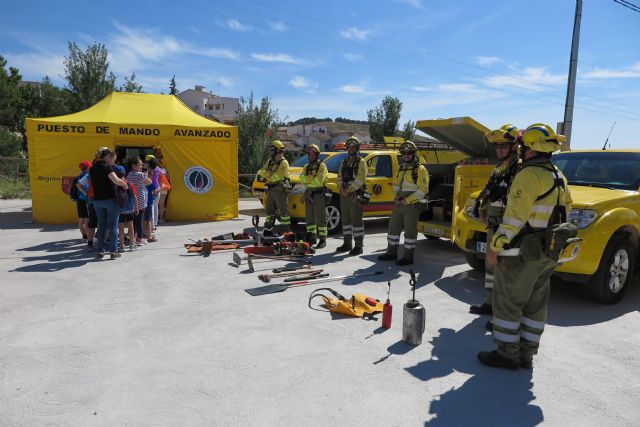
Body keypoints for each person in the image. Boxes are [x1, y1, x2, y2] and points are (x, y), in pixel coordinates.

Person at [478, 123, 572, 370]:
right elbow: (566, 212)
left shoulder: (528, 175)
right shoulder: (558, 176)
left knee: (508, 302)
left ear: (530, 149)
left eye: (523, 147)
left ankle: (507, 354)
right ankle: (527, 354)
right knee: (535, 305)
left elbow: (514, 218)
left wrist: (495, 245)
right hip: (548, 251)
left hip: (522, 252)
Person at [469, 125, 521, 319]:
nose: (499, 149)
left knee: (505, 270)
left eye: (503, 146)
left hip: (509, 228)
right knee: (491, 268)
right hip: (493, 225)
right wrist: (482, 207)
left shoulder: (519, 170)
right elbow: (489, 192)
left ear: (514, 147)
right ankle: (490, 304)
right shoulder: (499, 169)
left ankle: (503, 315)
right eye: (497, 146)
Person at [378, 141, 429, 265]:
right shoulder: (401, 167)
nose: (406, 155)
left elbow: (423, 189)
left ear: (413, 153)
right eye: (404, 153)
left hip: (412, 204)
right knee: (393, 228)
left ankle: (408, 257)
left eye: (409, 152)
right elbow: (396, 184)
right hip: (400, 202)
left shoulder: (420, 169)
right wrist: (395, 197)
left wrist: (408, 200)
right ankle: (391, 253)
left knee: (410, 231)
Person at [89, 149, 128, 259]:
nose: (113, 162)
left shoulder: (92, 168)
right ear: (108, 157)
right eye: (113, 159)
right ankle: (113, 252)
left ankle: (100, 251)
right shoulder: (107, 167)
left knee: (101, 226)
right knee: (113, 226)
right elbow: (115, 180)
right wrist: (125, 184)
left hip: (97, 201)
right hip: (110, 200)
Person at [336, 136, 367, 256]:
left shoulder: (361, 162)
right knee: (346, 220)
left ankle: (359, 246)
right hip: (344, 194)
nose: (351, 148)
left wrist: (348, 190)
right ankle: (347, 243)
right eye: (349, 146)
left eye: (354, 146)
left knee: (356, 221)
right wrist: (341, 188)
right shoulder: (344, 162)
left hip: (354, 194)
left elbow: (360, 179)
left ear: (357, 148)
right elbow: (339, 176)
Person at [257, 140, 291, 235]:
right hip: (271, 188)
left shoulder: (284, 163)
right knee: (270, 211)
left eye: (272, 149)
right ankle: (268, 229)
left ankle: (286, 232)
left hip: (280, 189)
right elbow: (261, 172)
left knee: (283, 212)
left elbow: (277, 177)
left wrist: (268, 174)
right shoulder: (270, 161)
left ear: (278, 150)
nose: (270, 151)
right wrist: (269, 174)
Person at [299, 144, 329, 248]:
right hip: (308, 194)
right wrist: (311, 177)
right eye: (309, 153)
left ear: (317, 154)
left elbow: (318, 181)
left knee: (321, 217)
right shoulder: (306, 167)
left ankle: (322, 240)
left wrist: (308, 179)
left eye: (313, 153)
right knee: (310, 218)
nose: (311, 155)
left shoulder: (322, 166)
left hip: (318, 194)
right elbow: (301, 179)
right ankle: (311, 238)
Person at [126, 156, 151, 246]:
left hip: (133, 201)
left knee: (134, 221)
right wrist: (146, 172)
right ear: (133, 165)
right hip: (140, 201)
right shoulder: (140, 175)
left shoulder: (129, 174)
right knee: (140, 221)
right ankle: (140, 239)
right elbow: (149, 182)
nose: (141, 167)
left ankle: (133, 236)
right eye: (140, 165)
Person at [114, 165, 137, 252]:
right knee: (131, 227)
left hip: (119, 210)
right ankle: (131, 244)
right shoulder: (130, 184)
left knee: (120, 228)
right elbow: (134, 197)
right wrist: (136, 207)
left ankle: (122, 246)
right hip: (130, 209)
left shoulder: (115, 185)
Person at [73, 160, 92, 241]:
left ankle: (84, 236)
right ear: (87, 168)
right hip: (86, 200)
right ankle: (89, 238)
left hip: (79, 200)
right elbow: (83, 188)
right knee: (87, 219)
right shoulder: (87, 176)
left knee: (81, 219)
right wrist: (86, 194)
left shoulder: (79, 176)